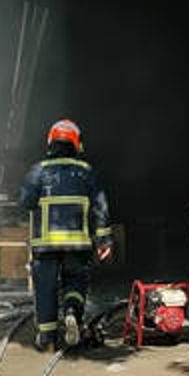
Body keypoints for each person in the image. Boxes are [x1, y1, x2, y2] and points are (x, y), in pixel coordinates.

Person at [19, 119, 112, 351]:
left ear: (51, 142)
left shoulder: (38, 171)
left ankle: (47, 338)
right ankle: (71, 312)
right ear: (76, 144)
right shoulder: (87, 172)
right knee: (75, 282)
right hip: (77, 245)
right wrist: (104, 240)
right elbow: (100, 207)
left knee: (45, 288)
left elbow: (26, 202)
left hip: (45, 245)